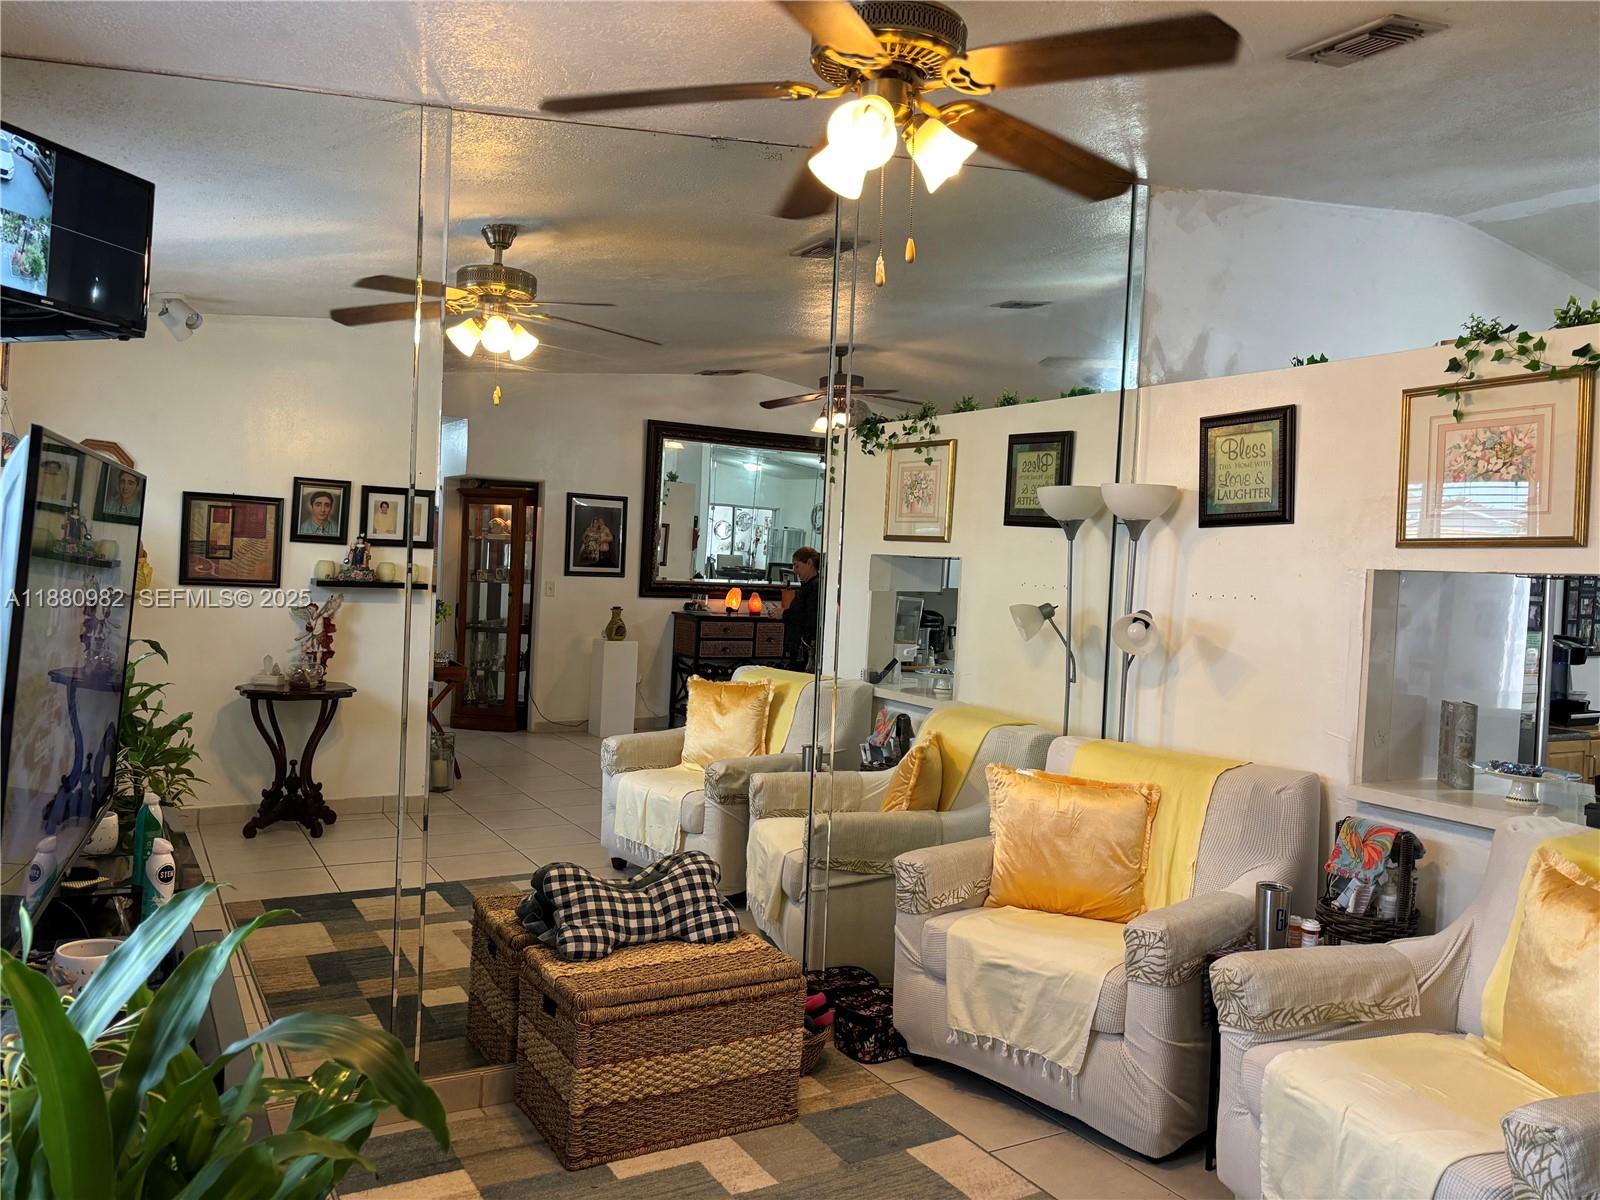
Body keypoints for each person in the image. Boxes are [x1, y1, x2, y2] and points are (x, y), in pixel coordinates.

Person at [783, 546, 821, 671]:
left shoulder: (814, 588)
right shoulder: (807, 587)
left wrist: (784, 614)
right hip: (799, 647)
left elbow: (810, 618)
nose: (794, 570)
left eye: (797, 566)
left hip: (805, 649)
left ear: (809, 563)